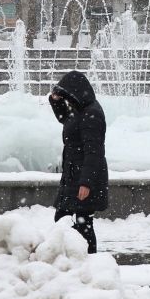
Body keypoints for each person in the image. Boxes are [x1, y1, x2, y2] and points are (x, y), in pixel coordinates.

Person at [49, 71, 109, 254]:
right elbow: (65, 120)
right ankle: (74, 259)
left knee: (81, 222)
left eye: (67, 95)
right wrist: (56, 101)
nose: (67, 99)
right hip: (74, 174)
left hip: (83, 177)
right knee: (65, 219)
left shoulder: (92, 114)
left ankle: (88, 262)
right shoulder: (80, 109)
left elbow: (94, 153)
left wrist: (86, 183)